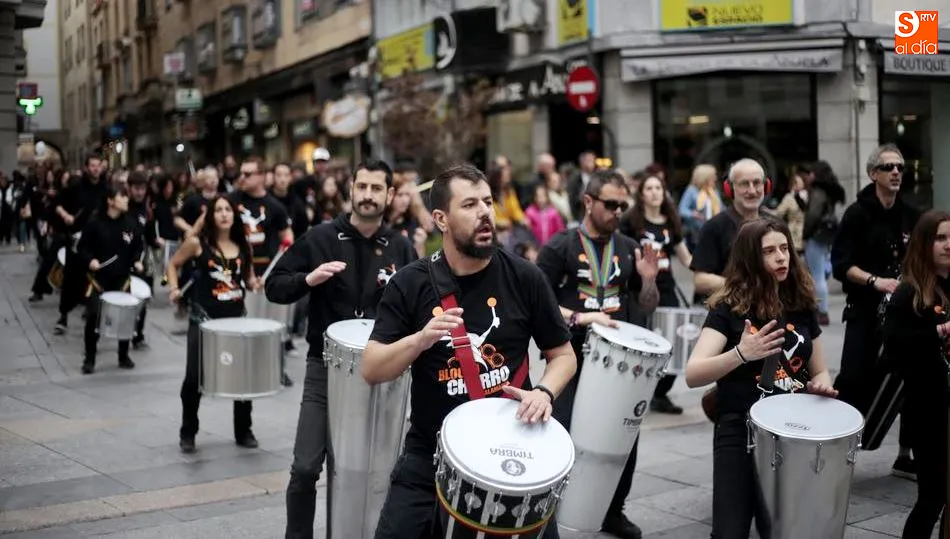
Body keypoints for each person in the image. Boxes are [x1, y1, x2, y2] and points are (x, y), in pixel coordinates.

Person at [362, 163, 577, 539]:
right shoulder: (410, 284)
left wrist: (544, 392)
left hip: (511, 448)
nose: (485, 213)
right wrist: (420, 340)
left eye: (489, 202)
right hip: (431, 453)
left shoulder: (525, 276)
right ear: (441, 219)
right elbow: (372, 368)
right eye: (470, 204)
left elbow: (563, 354)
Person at [264, 159, 416, 539]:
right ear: (351, 189)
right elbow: (275, 285)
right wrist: (307, 279)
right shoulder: (321, 237)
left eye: (376, 188)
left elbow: (422, 304)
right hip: (325, 369)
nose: (368, 195)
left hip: (381, 372)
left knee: (368, 469)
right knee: (304, 468)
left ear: (390, 195)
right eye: (362, 186)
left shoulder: (401, 247)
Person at [684, 218, 838, 538]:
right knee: (730, 531)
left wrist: (820, 385)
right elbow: (693, 373)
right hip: (740, 428)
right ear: (750, 259)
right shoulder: (729, 308)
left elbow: (820, 367)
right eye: (769, 251)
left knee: (781, 529)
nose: (781, 257)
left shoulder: (800, 302)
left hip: (792, 433)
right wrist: (741, 353)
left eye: (784, 249)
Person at [537, 169, 659, 539]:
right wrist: (578, 316)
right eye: (610, 204)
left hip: (618, 364)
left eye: (623, 205)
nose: (617, 211)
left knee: (625, 437)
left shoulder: (627, 247)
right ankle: (551, 512)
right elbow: (537, 303)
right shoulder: (559, 246)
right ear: (588, 202)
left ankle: (613, 511)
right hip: (569, 357)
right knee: (561, 434)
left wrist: (649, 279)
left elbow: (646, 303)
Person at [831, 143, 920, 479]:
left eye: (899, 166)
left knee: (911, 381)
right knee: (853, 377)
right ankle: (837, 444)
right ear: (873, 174)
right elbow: (841, 265)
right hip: (865, 309)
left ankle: (905, 454)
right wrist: (875, 281)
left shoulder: (910, 214)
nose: (896, 172)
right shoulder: (857, 214)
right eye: (888, 167)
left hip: (903, 313)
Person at [165, 195, 261, 453]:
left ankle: (244, 430)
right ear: (211, 216)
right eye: (218, 210)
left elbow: (248, 279)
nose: (223, 214)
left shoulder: (243, 246)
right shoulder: (197, 244)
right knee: (194, 377)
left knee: (242, 379)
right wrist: (174, 288)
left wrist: (254, 284)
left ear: (234, 215)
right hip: (204, 321)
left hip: (236, 322)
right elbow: (172, 265)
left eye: (228, 209)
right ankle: (188, 431)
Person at [882, 210, 950, 539]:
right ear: (924, 243)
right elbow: (894, 350)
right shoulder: (908, 293)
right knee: (933, 496)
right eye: (940, 238)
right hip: (929, 411)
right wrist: (938, 333)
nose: (948, 245)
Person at [620, 173, 693, 416]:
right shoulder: (631, 221)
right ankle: (634, 392)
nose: (654, 192)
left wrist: (707, 270)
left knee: (675, 341)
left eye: (658, 188)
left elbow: (685, 256)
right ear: (641, 194)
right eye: (649, 188)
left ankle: (660, 393)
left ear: (664, 193)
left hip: (667, 288)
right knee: (641, 341)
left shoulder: (670, 221)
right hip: (639, 288)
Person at [229, 156, 295, 387]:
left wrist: (285, 250)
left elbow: (287, 236)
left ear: (261, 176)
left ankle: (277, 369)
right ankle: (242, 369)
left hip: (266, 272)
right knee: (241, 323)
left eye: (248, 174)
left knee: (273, 325)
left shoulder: (275, 206)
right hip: (238, 271)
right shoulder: (231, 200)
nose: (242, 178)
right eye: (242, 173)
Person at [77, 184, 144, 374]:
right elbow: (82, 248)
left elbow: (138, 247)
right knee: (93, 318)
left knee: (125, 318)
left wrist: (137, 261)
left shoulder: (131, 224)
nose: (126, 199)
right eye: (122, 196)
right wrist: (90, 260)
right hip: (98, 279)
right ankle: (89, 359)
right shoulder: (94, 223)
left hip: (121, 279)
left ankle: (123, 356)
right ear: (110, 201)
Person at [689, 158, 769, 305]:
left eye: (757, 183)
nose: (752, 190)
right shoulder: (714, 227)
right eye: (744, 184)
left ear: (766, 186)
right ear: (729, 189)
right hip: (729, 315)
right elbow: (700, 280)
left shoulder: (775, 224)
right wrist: (744, 286)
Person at [55, 155, 108, 335]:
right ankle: (63, 316)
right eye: (92, 166)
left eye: (98, 166)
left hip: (96, 242)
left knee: (95, 279)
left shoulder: (105, 188)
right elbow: (58, 204)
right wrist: (66, 216)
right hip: (77, 239)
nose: (95, 169)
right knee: (70, 278)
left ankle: (91, 311)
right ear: (86, 168)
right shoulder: (76, 186)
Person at [126, 171, 161, 348]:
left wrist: (156, 242)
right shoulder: (123, 208)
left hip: (142, 261)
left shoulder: (146, 210)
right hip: (124, 260)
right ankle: (124, 334)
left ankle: (138, 334)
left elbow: (148, 235)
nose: (139, 192)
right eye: (136, 189)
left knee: (143, 297)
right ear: (129, 189)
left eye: (142, 189)